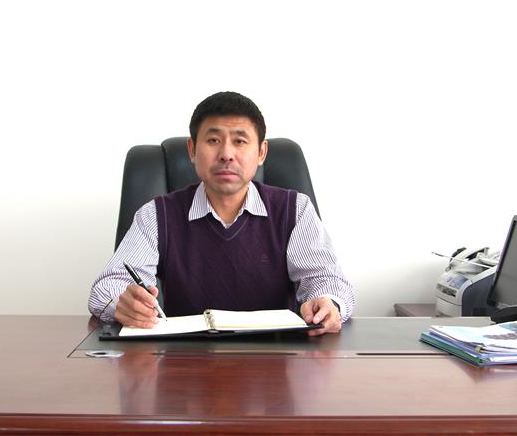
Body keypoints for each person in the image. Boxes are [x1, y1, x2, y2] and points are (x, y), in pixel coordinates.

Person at [88, 91, 355, 336]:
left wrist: (327, 303)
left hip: (275, 359)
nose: (226, 154)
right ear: (192, 150)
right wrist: (123, 303)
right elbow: (108, 286)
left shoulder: (295, 209)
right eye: (213, 140)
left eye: (240, 141)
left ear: (261, 152)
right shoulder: (156, 215)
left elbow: (326, 280)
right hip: (184, 361)